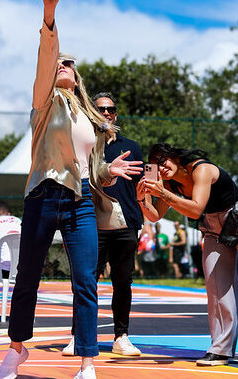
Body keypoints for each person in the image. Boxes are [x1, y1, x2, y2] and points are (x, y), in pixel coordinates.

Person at [0, 0, 142, 379]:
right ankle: (16, 349)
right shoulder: (44, 103)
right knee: (28, 278)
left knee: (85, 281)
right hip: (43, 196)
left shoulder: (89, 120)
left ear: (77, 79)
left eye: (69, 66)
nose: (63, 65)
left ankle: (87, 362)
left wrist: (107, 171)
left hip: (79, 201)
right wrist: (49, 15)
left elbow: (91, 169)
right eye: (60, 62)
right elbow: (47, 55)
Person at [137, 143, 238, 370]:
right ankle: (220, 349)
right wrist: (143, 199)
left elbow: (195, 209)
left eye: (164, 162)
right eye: (155, 165)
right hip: (212, 226)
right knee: (217, 287)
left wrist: (162, 192)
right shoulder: (169, 184)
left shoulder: (201, 169)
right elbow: (154, 217)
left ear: (176, 158)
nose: (160, 169)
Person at [63, 91, 145, 356]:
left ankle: (121, 336)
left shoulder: (130, 146)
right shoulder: (84, 145)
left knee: (123, 282)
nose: (107, 113)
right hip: (92, 223)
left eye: (111, 109)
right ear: (91, 112)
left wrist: (144, 212)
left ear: (116, 114)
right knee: (86, 282)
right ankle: (80, 336)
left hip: (125, 225)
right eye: (101, 109)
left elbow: (140, 187)